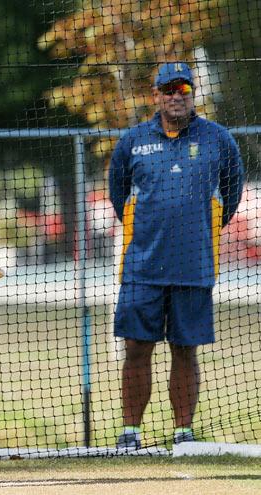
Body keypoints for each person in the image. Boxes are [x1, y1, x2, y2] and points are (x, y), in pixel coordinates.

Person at [109, 62, 244, 450]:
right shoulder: (133, 141)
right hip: (142, 267)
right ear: (156, 95)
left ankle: (182, 432)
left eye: (182, 88)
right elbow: (120, 196)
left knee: (185, 349)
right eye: (168, 89)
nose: (175, 96)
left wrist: (201, 228)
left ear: (192, 93)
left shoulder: (218, 139)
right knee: (136, 348)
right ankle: (130, 432)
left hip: (194, 267)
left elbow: (231, 193)